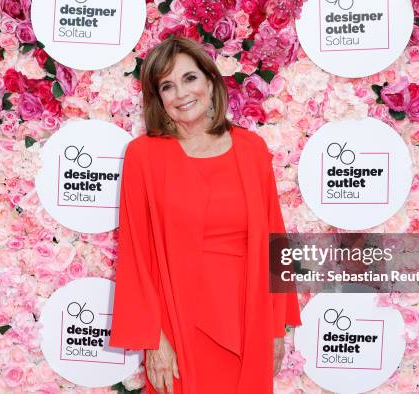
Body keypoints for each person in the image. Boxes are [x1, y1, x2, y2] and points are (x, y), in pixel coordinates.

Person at [108, 37, 301, 394]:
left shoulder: (252, 149)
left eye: (189, 78)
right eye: (167, 85)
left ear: (210, 82)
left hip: (249, 319)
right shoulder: (143, 156)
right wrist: (154, 340)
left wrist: (276, 329)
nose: (181, 93)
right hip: (178, 324)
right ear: (158, 99)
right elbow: (137, 253)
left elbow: (276, 240)